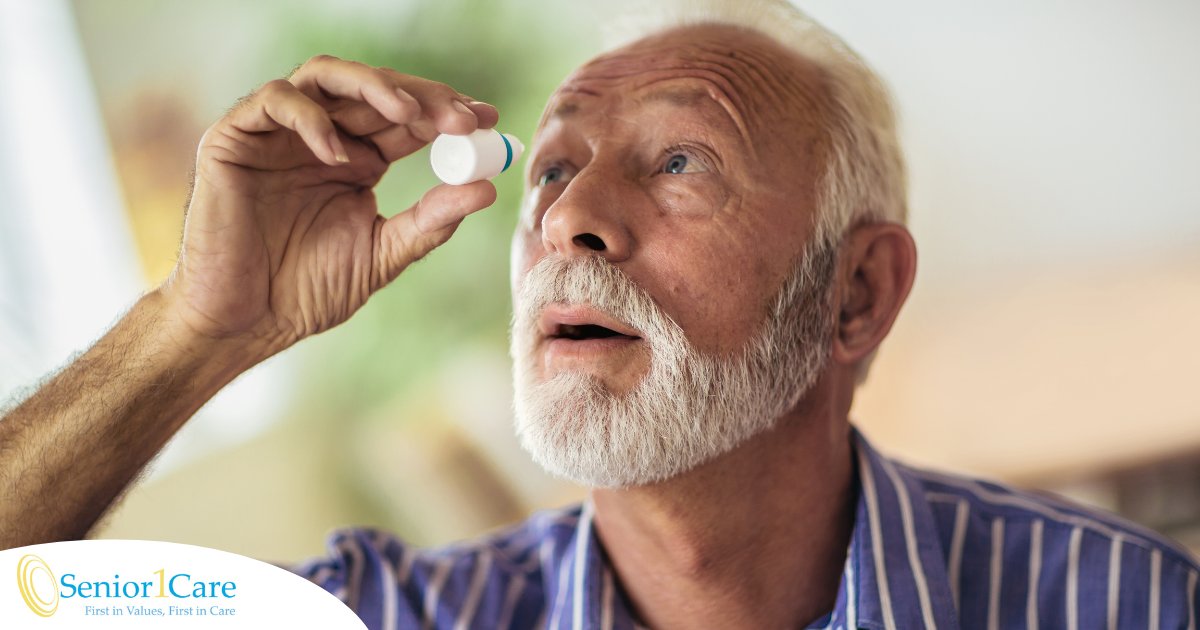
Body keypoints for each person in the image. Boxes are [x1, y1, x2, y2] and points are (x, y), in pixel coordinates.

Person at [1, 1, 1196, 628]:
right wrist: (202, 326)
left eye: (680, 163)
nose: (572, 219)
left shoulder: (1123, 606)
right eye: (554, 168)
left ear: (858, 293)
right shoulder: (391, 619)